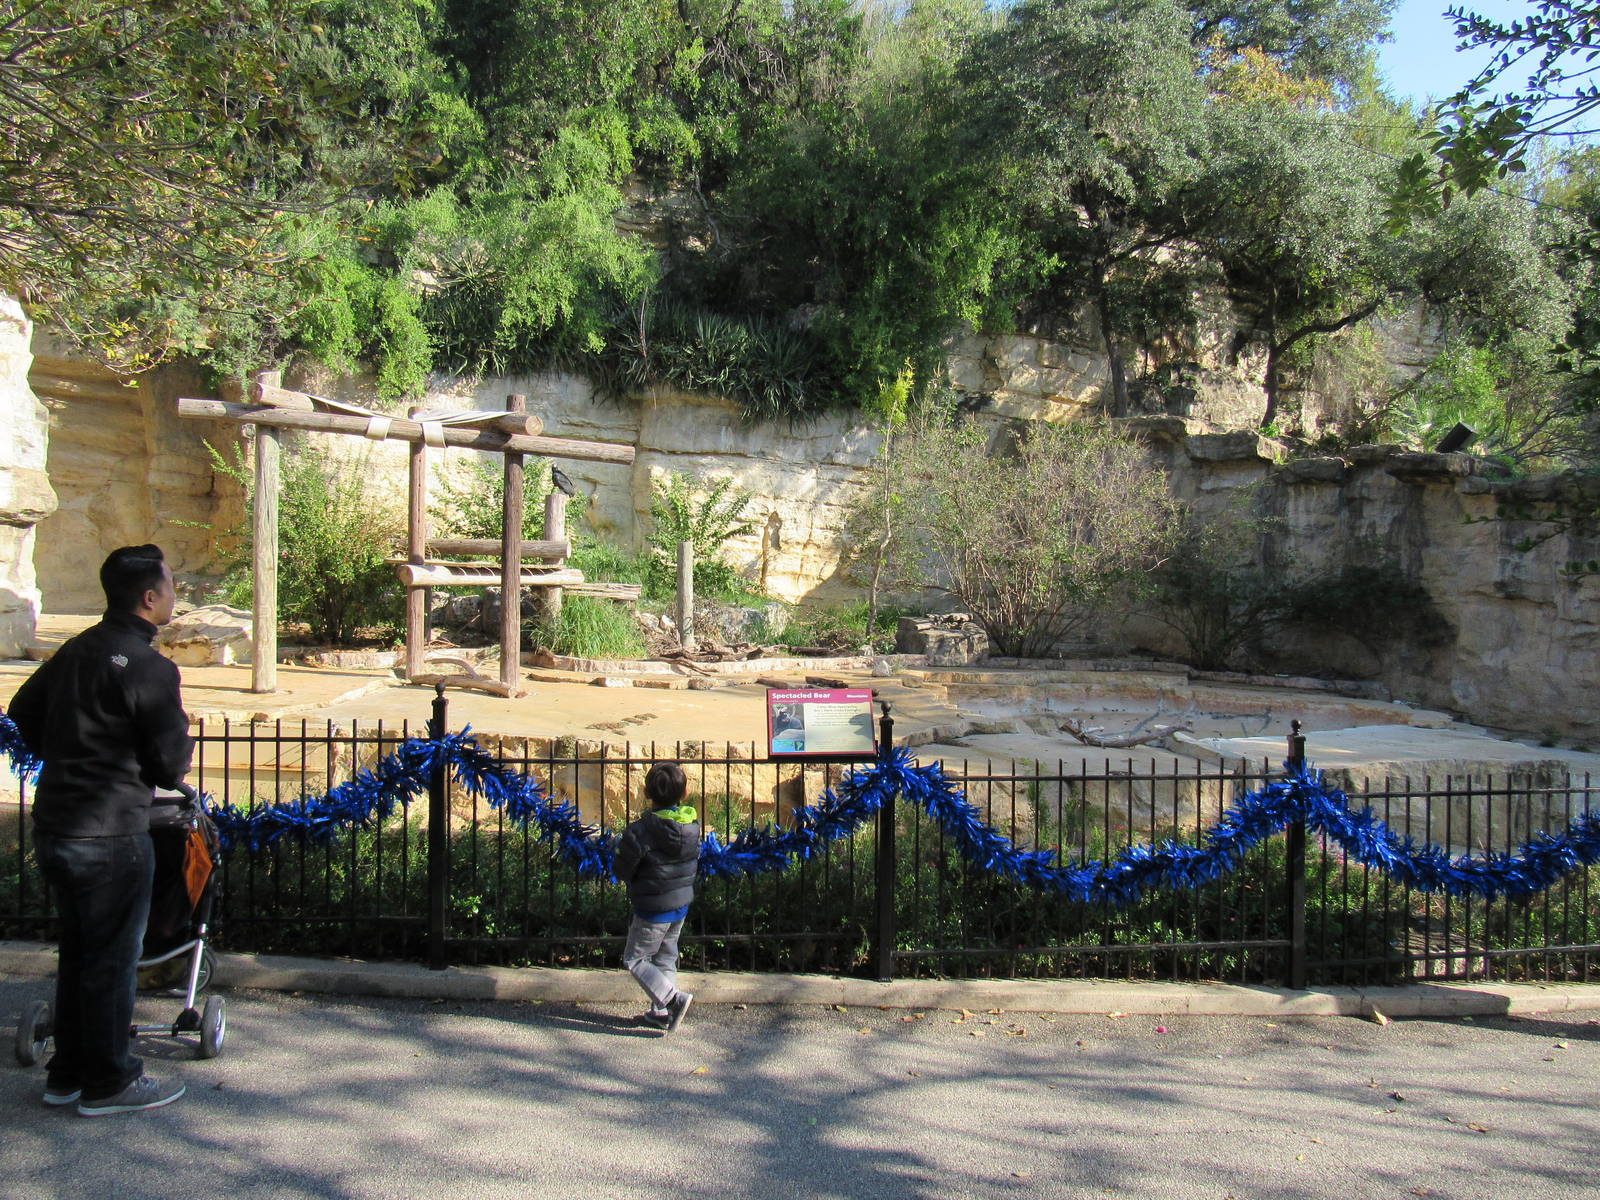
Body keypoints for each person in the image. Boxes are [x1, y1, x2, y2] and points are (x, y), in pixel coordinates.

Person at [8, 545, 193, 1116]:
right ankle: (110, 1081)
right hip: (112, 832)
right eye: (170, 586)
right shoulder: (149, 668)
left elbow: (21, 711)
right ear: (149, 598)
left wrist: (67, 753)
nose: (174, 595)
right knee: (111, 960)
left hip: (58, 824)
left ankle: (67, 1073)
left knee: (80, 954)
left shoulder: (76, 650)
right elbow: (170, 764)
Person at [613, 761, 700, 1032]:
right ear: (684, 793)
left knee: (636, 959)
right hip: (680, 905)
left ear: (647, 792)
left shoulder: (641, 831)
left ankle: (673, 1000)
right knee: (665, 958)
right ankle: (661, 1013)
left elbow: (623, 869)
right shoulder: (691, 826)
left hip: (653, 908)